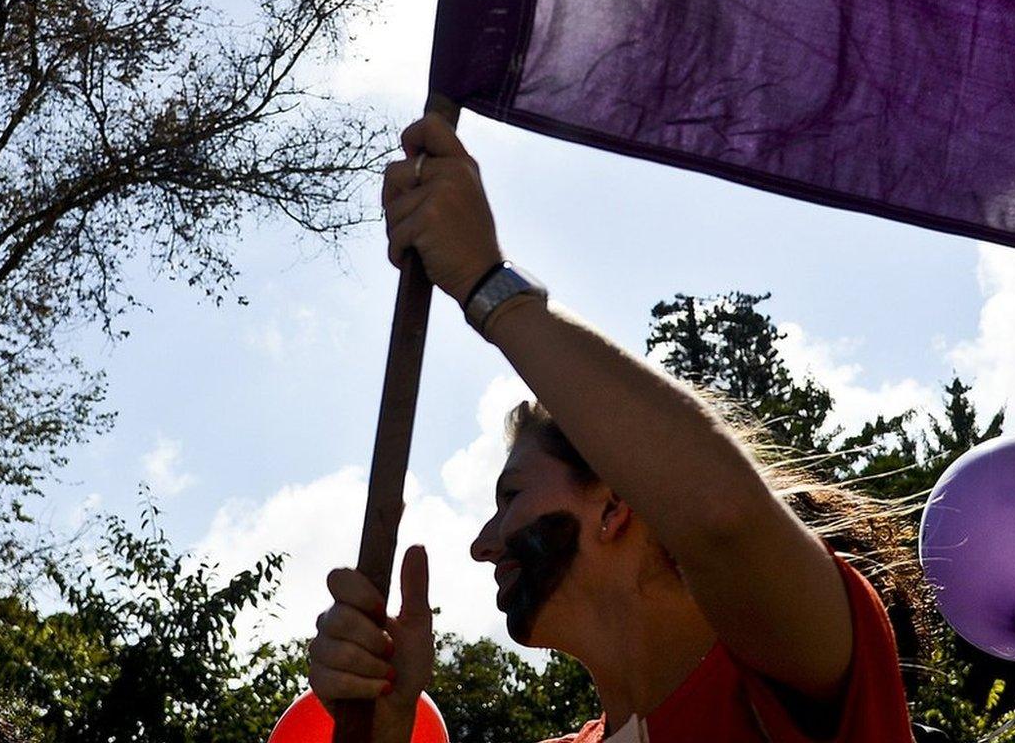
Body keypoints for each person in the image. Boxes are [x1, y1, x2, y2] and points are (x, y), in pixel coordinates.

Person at [307, 114, 919, 742]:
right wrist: (383, 727)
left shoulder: (802, 675)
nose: (482, 545)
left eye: (511, 496)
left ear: (617, 501)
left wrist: (486, 282)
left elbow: (722, 515)